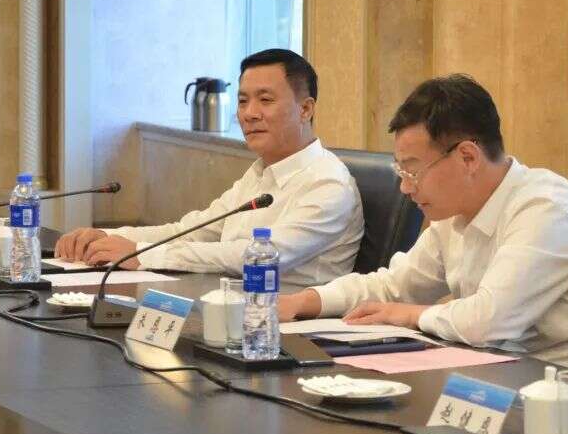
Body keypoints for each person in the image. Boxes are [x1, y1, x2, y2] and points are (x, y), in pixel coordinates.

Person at [278, 74, 568, 367]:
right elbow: (394, 286)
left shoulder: (545, 207)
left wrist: (409, 315)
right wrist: (304, 301)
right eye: (401, 172)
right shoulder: (453, 213)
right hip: (500, 379)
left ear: (468, 157)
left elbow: (488, 320)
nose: (405, 187)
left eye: (413, 171)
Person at [55, 49, 364, 286]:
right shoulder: (260, 173)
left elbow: (254, 256)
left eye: (265, 100)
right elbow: (192, 231)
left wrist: (140, 253)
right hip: (229, 306)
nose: (250, 113)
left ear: (305, 109)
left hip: (289, 327)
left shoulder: (328, 184)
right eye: (242, 101)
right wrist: (106, 236)